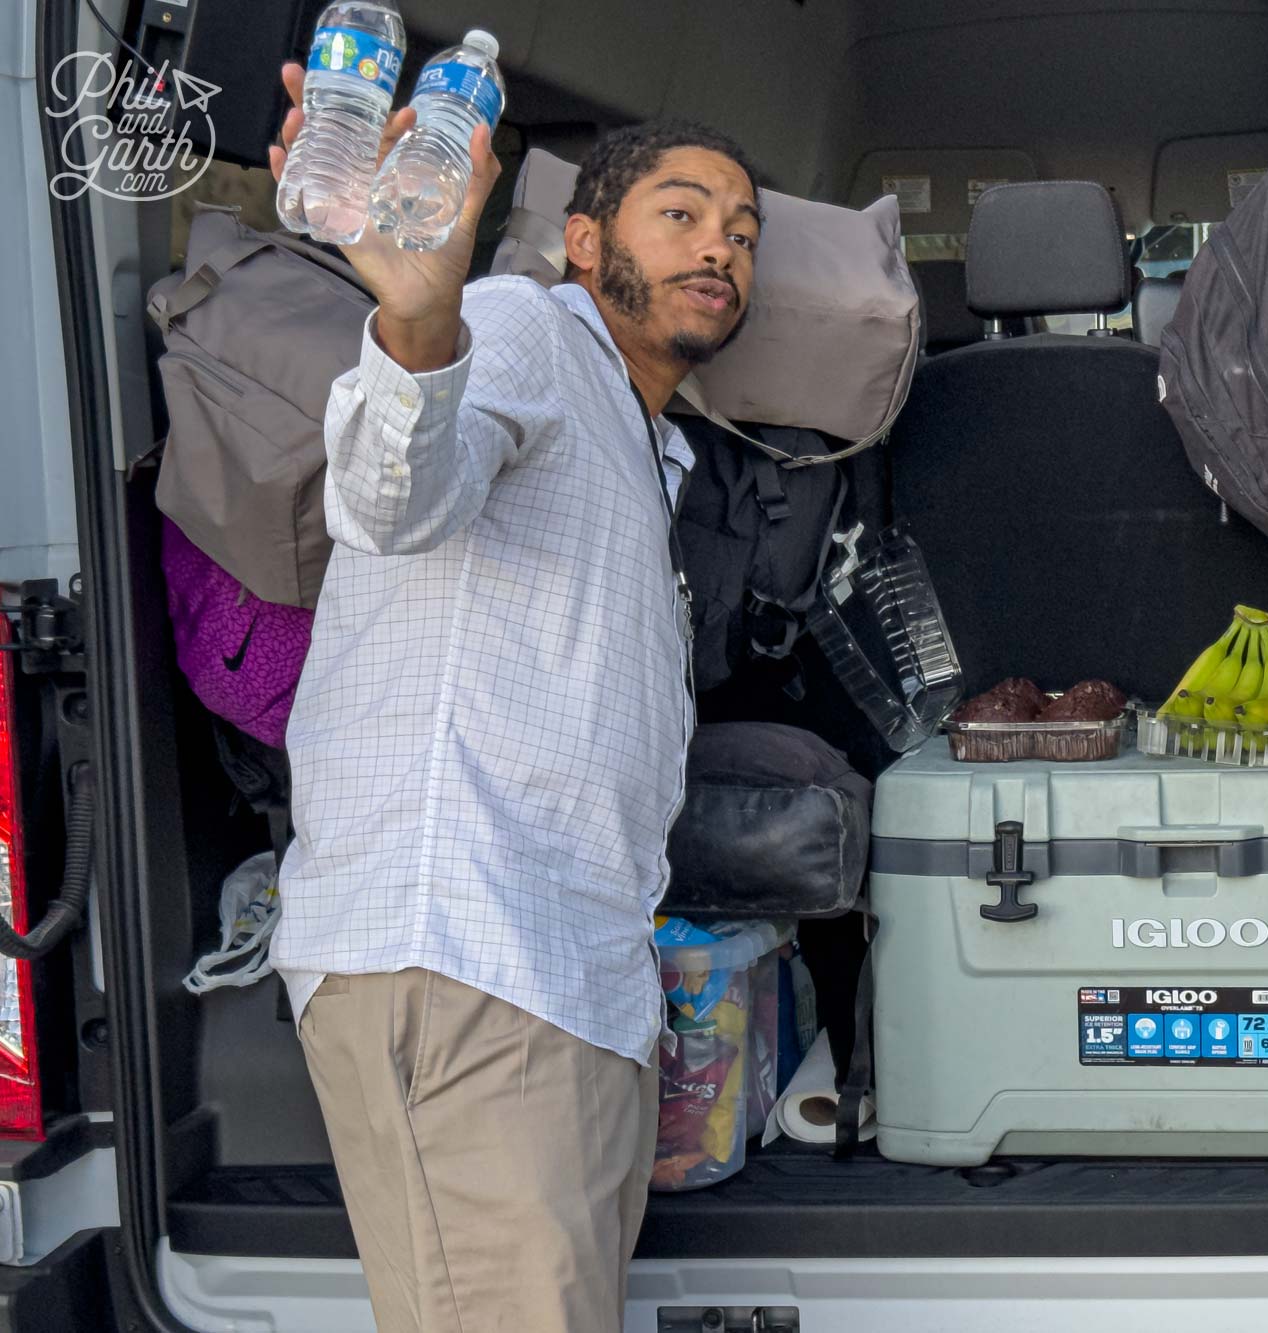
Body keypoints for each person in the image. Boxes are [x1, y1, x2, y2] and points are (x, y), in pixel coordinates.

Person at [264, 59, 762, 1332]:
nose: (721, 247)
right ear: (585, 242)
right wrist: (421, 322)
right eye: (685, 213)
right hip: (467, 957)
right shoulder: (524, 329)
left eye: (742, 232)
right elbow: (392, 497)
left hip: (566, 984)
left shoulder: (649, 438)